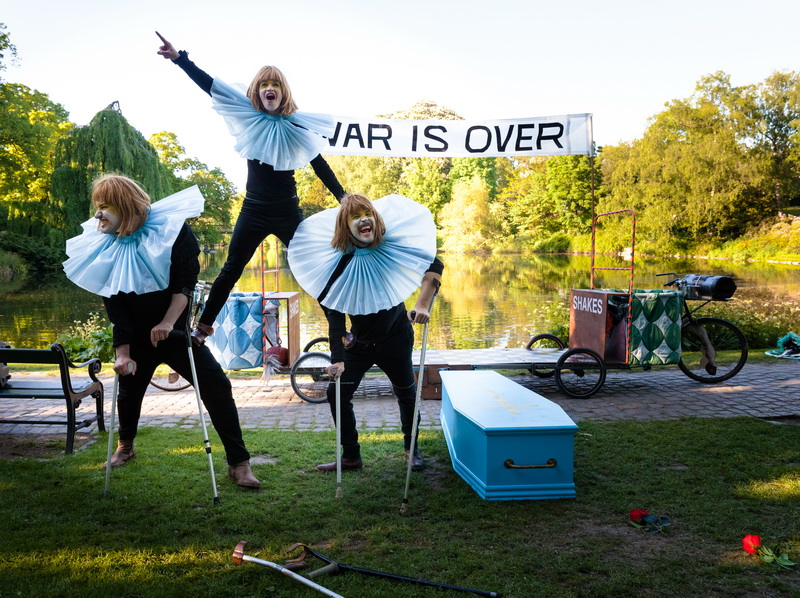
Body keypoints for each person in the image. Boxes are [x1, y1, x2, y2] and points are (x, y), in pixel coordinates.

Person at [63, 173, 260, 488]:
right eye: (97, 206)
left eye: (105, 206)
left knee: (217, 385)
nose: (98, 214)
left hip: (174, 332)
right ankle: (126, 447)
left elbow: (186, 282)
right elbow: (114, 302)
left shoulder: (172, 230)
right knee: (129, 393)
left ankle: (239, 463)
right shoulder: (105, 244)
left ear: (126, 206)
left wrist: (168, 323)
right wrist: (122, 353)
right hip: (135, 335)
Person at [156, 33, 346, 346]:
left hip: (287, 211)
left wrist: (342, 196)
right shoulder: (248, 115)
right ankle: (203, 328)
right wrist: (180, 60)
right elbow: (211, 86)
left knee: (315, 268)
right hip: (253, 210)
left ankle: (341, 332)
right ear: (257, 91)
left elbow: (319, 163)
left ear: (283, 92)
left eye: (276, 84)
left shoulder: (296, 125)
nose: (270, 88)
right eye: (264, 84)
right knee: (231, 269)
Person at [288, 193, 443, 472]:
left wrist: (421, 305)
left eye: (367, 214)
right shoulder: (338, 264)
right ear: (345, 226)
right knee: (337, 393)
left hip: (396, 337)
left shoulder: (391, 247)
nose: (364, 220)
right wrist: (337, 358)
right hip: (359, 343)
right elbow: (334, 313)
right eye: (355, 216)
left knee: (407, 394)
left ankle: (412, 449)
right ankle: (351, 456)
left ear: (376, 218)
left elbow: (434, 263)